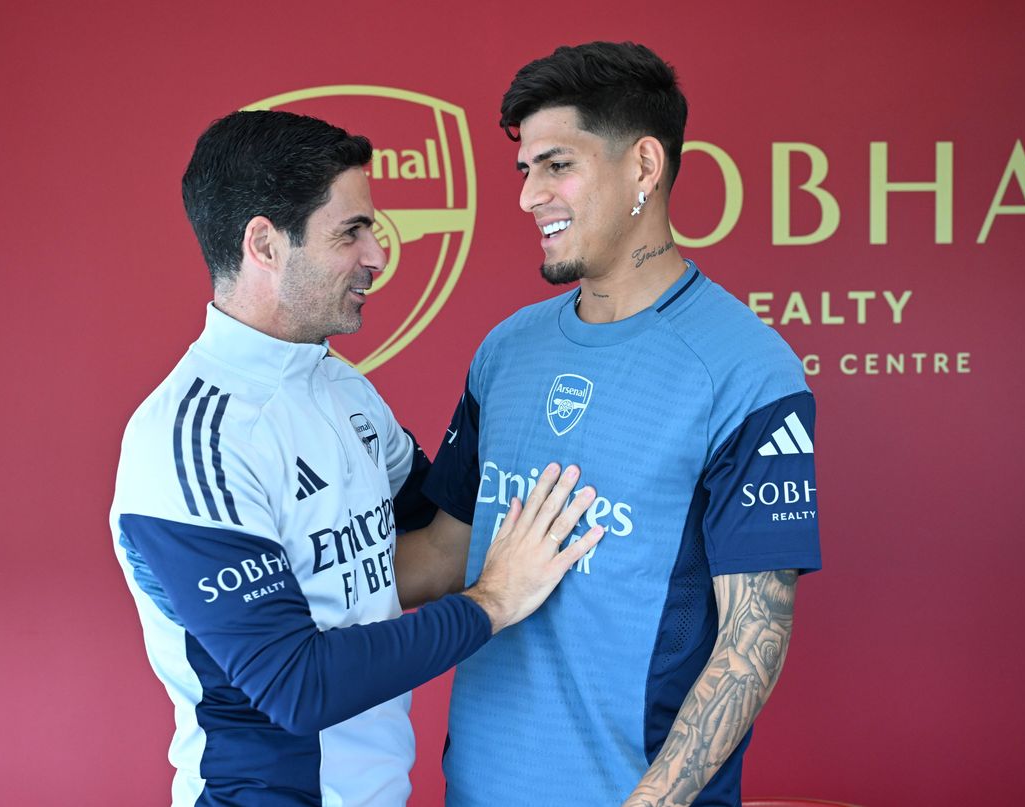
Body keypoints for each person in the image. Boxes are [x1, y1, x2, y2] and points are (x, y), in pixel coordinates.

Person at [108, 110, 602, 807]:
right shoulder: (190, 440)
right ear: (264, 244)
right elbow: (295, 684)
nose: (378, 254)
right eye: (351, 231)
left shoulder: (344, 390)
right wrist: (491, 603)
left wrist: (498, 392)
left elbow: (443, 530)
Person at [410, 42, 823, 806]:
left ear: (643, 166)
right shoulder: (505, 350)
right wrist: (288, 585)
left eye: (557, 165)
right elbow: (441, 554)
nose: (530, 195)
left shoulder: (746, 369)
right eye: (524, 169)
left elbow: (751, 640)